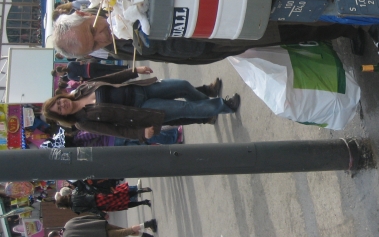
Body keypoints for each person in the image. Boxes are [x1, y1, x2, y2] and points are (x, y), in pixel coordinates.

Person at [52, 11, 365, 65]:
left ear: (84, 15)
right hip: (214, 41)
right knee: (289, 32)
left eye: (93, 30)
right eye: (95, 44)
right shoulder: (117, 47)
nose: (101, 36)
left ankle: (353, 18)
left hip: (217, 15)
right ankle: (347, 28)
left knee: (290, 16)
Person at [42, 69, 236, 140]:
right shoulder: (82, 121)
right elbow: (114, 131)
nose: (62, 105)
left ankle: (209, 104)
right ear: (62, 116)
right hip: (142, 111)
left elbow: (108, 78)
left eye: (58, 102)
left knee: (183, 86)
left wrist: (134, 71)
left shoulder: (81, 90)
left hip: (141, 89)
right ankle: (224, 105)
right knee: (184, 109)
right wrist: (139, 134)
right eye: (58, 109)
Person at [54, 184, 151, 216]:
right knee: (120, 194)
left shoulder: (74, 208)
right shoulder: (74, 193)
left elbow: (90, 209)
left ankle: (143, 202)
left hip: (99, 204)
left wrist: (101, 213)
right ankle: (139, 191)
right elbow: (87, 189)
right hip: (99, 195)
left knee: (123, 204)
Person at [54, 62, 131, 81]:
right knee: (108, 67)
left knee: (109, 74)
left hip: (90, 74)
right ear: (62, 66)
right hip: (90, 66)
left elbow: (81, 78)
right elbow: (81, 62)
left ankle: (126, 72)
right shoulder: (70, 64)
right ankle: (124, 67)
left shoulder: (70, 76)